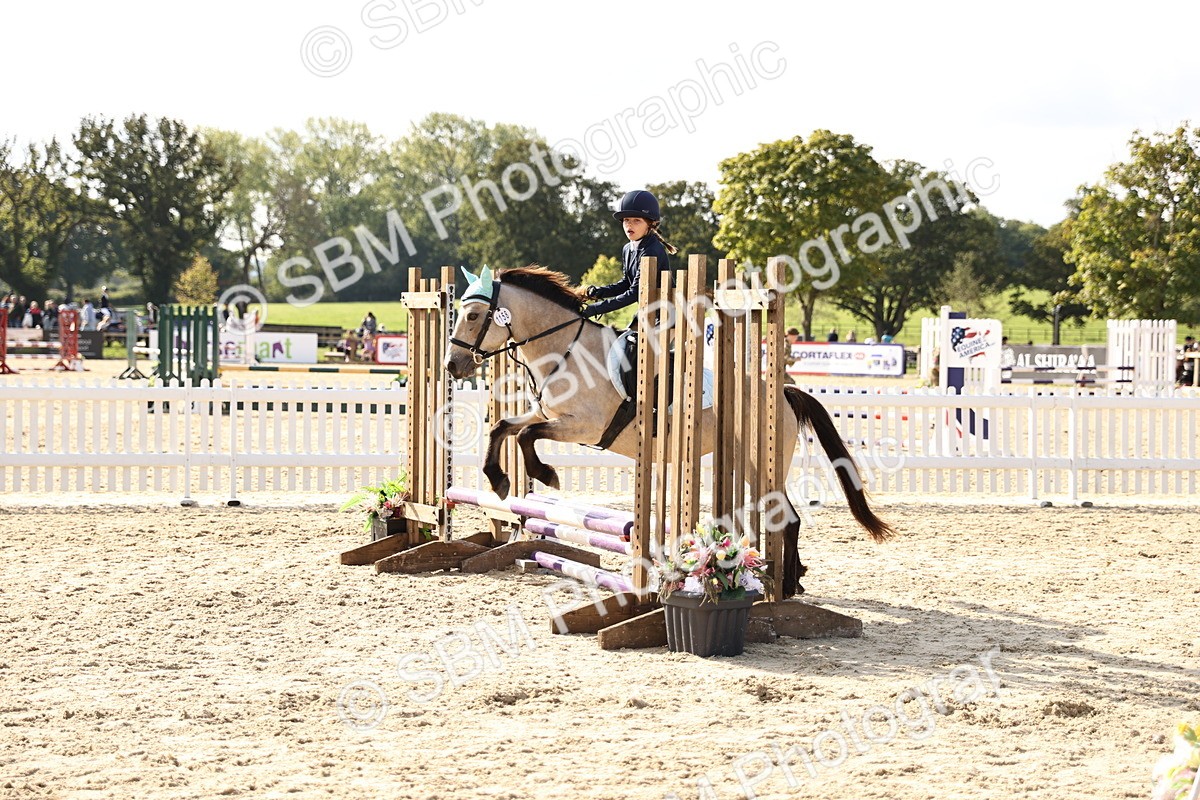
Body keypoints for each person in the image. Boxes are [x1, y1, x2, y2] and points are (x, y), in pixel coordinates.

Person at [583, 189, 677, 323]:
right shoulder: (628, 248)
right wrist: (599, 292)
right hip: (647, 313)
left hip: (667, 318)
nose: (629, 225)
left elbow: (634, 293)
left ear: (651, 224)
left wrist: (596, 309)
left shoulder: (651, 250)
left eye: (636, 220)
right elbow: (627, 283)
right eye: (626, 220)